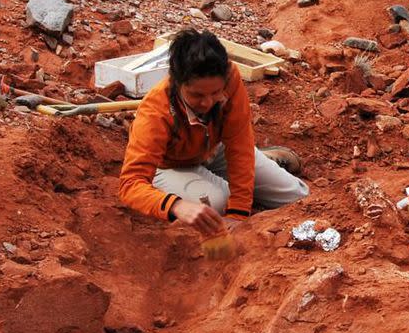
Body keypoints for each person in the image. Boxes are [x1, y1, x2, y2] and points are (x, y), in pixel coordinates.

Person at [119, 28, 308, 239]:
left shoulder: (230, 77)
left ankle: (263, 159)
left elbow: (239, 145)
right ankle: (228, 178)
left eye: (215, 93)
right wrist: (177, 206)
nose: (208, 103)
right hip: (169, 165)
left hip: (213, 149)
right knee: (215, 205)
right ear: (177, 82)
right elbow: (131, 185)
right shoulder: (155, 111)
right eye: (197, 95)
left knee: (297, 196)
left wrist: (238, 212)